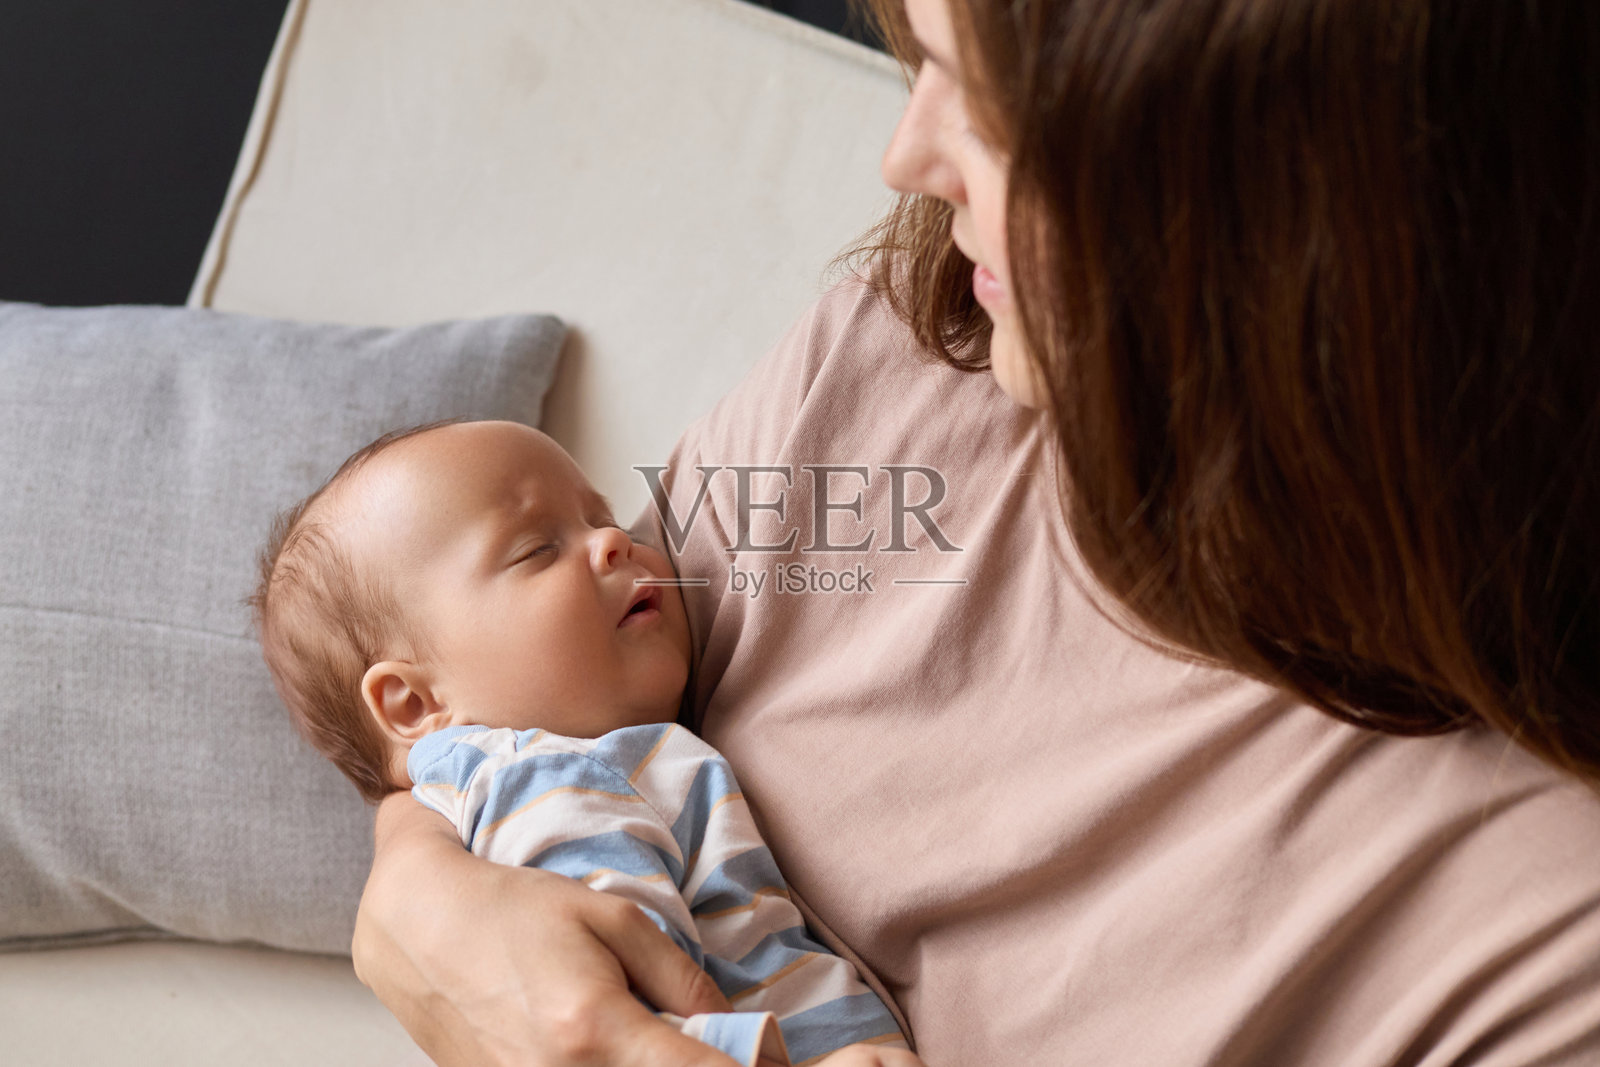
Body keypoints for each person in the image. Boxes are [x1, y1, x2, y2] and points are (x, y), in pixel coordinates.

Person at [349, 0, 1600, 1064]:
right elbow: (509, 708)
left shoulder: (1541, 932)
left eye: (987, 99)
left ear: (1278, 192)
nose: (905, 153)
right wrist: (416, 887)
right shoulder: (897, 358)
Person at [249, 420, 912, 1067]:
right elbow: (621, 1013)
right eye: (538, 548)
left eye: (608, 520)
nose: (612, 543)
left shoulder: (582, 774)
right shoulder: (557, 779)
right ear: (417, 703)